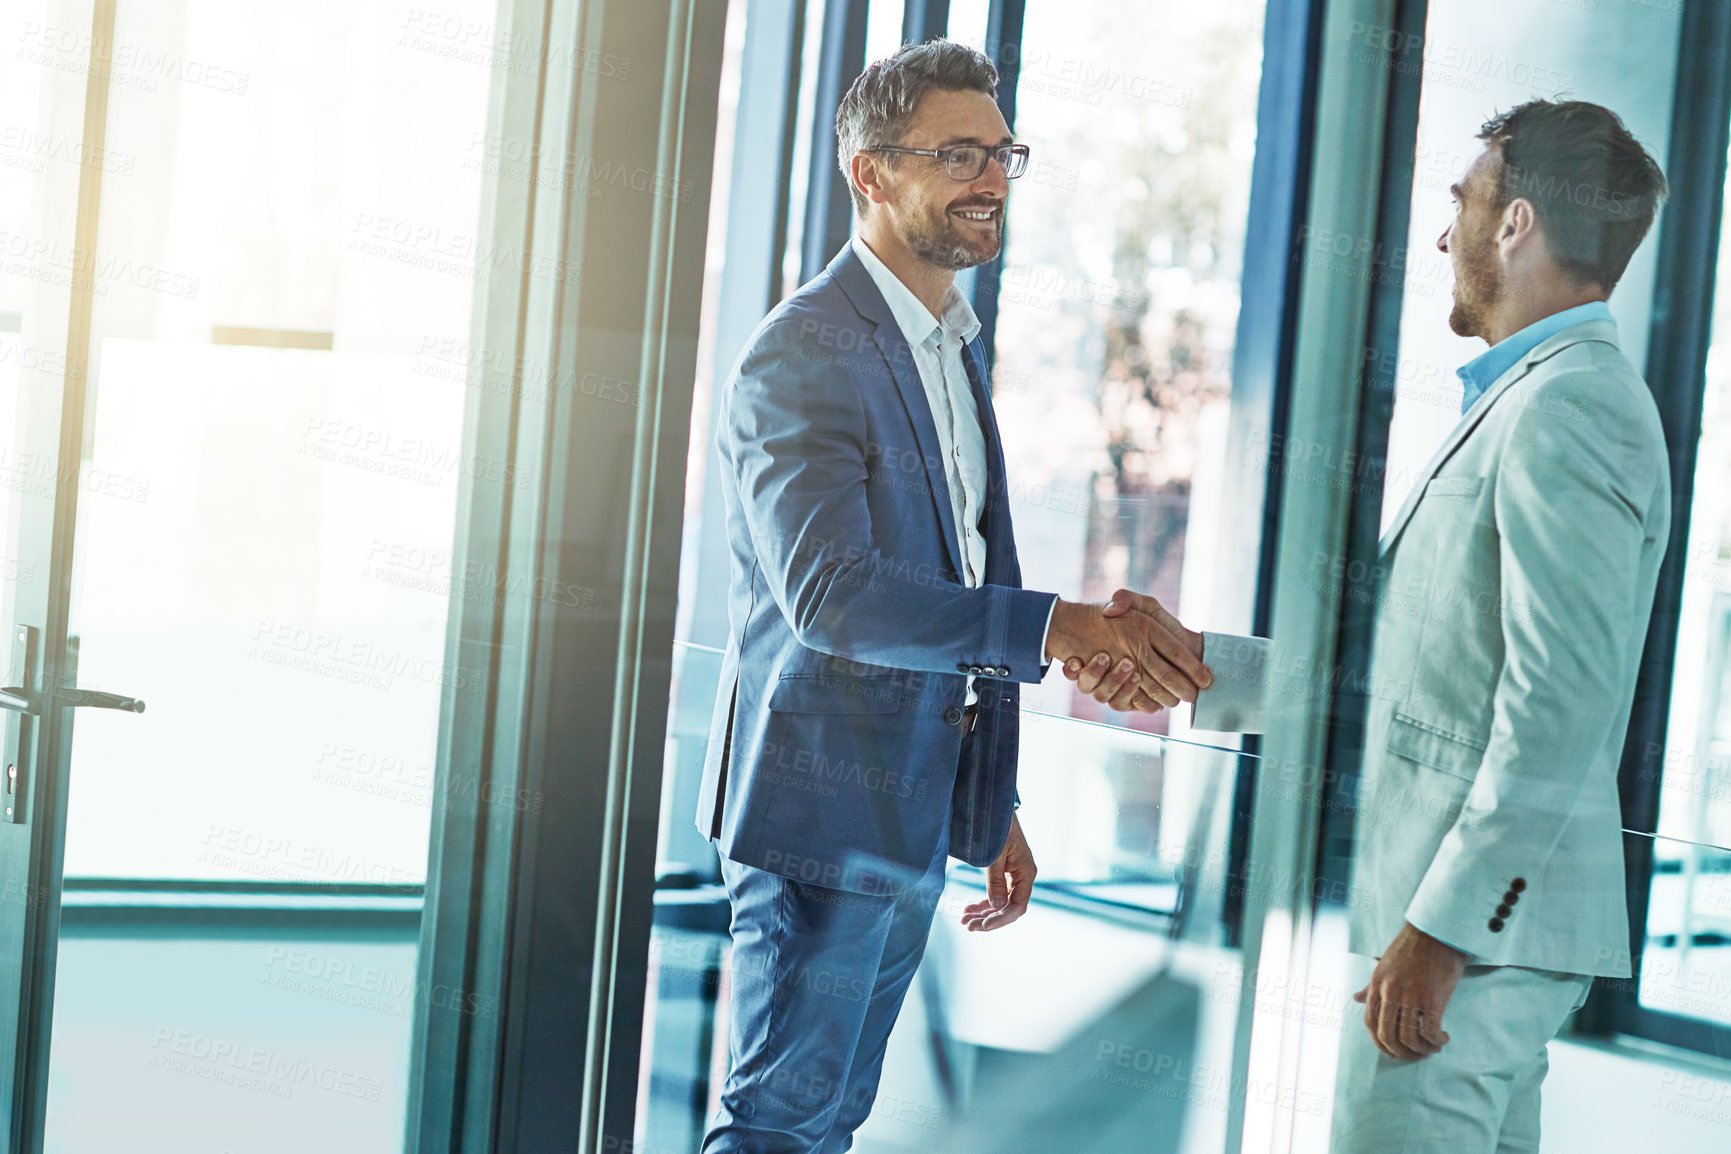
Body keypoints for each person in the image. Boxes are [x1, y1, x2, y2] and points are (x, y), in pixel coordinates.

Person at [1066, 100, 1670, 1152]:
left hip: (1466, 939)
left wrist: (1443, 928)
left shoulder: (1572, 406)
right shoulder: (1532, 399)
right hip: (1456, 931)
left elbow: (1559, 705)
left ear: (1517, 221)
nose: (1446, 237)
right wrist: (1194, 663)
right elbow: (1402, 680)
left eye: (1464, 203)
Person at [696, 39, 1212, 1153]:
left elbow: (960, 578)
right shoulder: (803, 354)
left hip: (909, 811)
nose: (991, 180)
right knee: (779, 1124)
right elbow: (833, 597)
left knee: (828, 1120)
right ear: (870, 173)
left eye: (1002, 154)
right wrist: (1057, 628)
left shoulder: (947, 345)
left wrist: (990, 802)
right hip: (819, 813)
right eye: (960, 155)